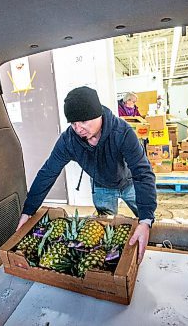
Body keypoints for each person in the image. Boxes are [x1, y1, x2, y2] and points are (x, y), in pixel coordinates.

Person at [16, 86, 157, 264]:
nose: (78, 128)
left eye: (83, 121)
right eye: (73, 123)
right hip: (101, 187)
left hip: (129, 183)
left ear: (97, 113)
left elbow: (142, 172)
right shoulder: (68, 141)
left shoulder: (122, 132)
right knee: (105, 229)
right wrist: (28, 210)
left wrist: (145, 220)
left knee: (147, 221)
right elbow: (48, 173)